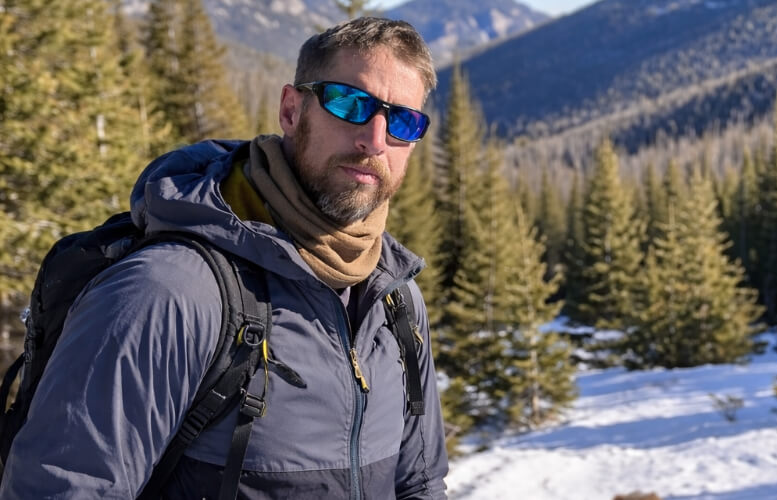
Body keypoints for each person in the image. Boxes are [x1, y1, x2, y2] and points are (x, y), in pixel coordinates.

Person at [0, 17, 448, 499]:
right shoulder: (168, 291)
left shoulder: (395, 298)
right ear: (292, 110)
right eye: (350, 103)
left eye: (403, 121)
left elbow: (419, 484)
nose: (375, 140)